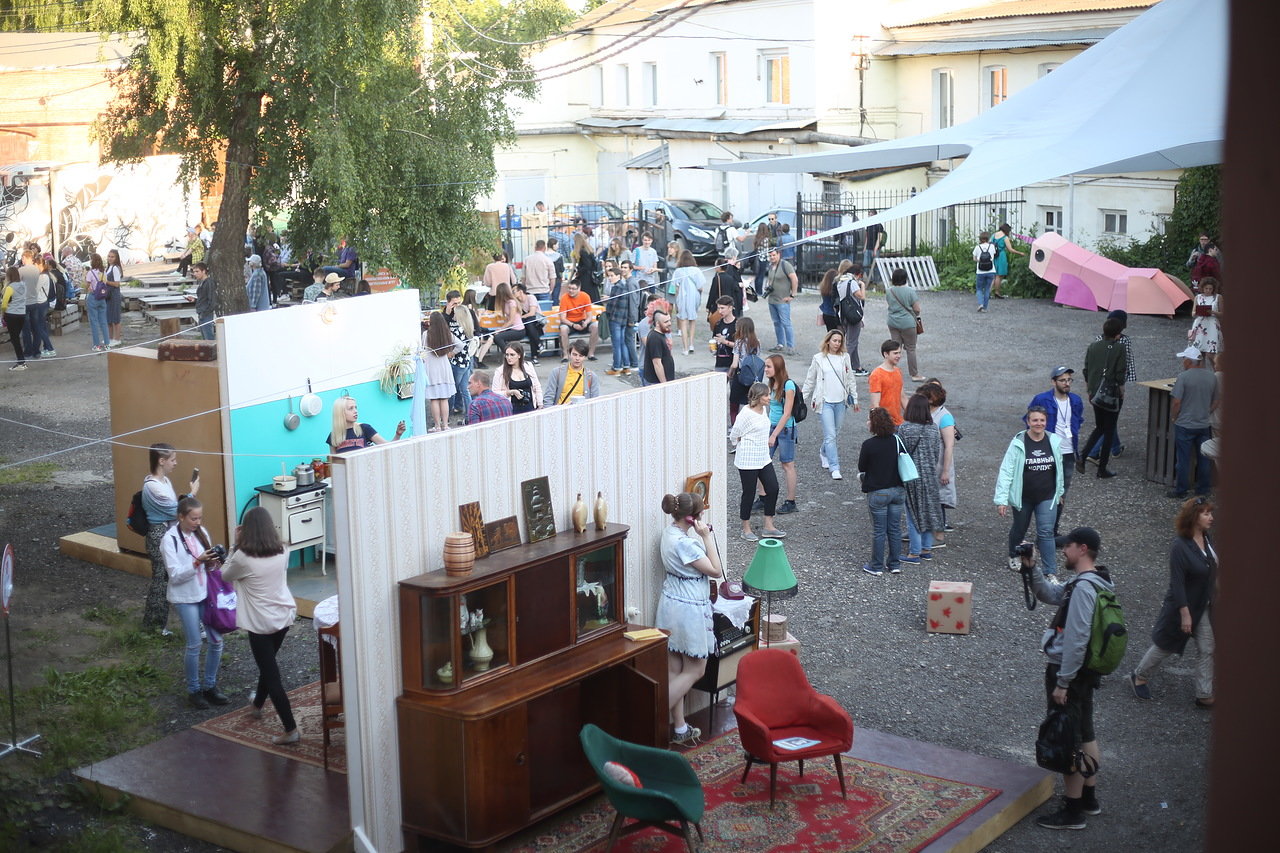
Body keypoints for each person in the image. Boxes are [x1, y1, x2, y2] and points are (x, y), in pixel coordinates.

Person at [1025, 527, 1114, 830]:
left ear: (1083, 549)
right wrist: (1032, 568)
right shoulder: (1096, 580)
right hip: (1084, 671)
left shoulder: (1084, 588)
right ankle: (1088, 799)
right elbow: (1050, 594)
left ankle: (1072, 811)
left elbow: (1077, 639)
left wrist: (1063, 682)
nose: (1063, 550)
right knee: (1085, 731)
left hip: (1069, 671)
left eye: (1068, 546)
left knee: (1066, 736)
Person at [221, 506, 299, 744]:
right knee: (268, 665)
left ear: (247, 530)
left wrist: (234, 546)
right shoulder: (283, 550)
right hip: (283, 617)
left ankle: (291, 730)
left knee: (272, 676)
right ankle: (256, 705)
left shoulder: (243, 557)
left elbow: (225, 575)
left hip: (260, 623)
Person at [1129, 497, 1217, 708]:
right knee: (1166, 645)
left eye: (1210, 513)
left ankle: (1204, 693)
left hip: (1201, 605)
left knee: (1207, 648)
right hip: (1182, 606)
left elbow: (1211, 570)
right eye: (1206, 513)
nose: (1211, 517)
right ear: (1193, 517)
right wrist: (1185, 614)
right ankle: (1139, 675)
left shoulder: (1206, 538)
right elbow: (1177, 583)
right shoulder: (1180, 546)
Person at [653, 491, 723, 746]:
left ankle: (680, 728)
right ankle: (651, 715)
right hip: (688, 610)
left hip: (670, 604)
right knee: (695, 669)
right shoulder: (687, 544)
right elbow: (715, 570)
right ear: (693, 518)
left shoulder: (668, 534)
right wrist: (706, 537)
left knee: (674, 670)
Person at [161, 497, 227, 709]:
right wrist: (198, 561)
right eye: (193, 518)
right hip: (185, 597)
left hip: (205, 593)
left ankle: (210, 686)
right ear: (181, 517)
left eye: (200, 518)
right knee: (194, 644)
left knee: (216, 641)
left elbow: (208, 567)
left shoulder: (201, 532)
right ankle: (194, 690)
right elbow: (175, 575)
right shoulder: (169, 540)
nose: (198, 522)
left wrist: (213, 562)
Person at [996, 405, 1064, 575]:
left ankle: (1050, 571)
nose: (1038, 423)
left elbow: (1059, 469)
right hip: (1023, 497)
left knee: (1046, 532)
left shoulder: (1053, 441)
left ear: (1046, 421)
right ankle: (1014, 555)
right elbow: (1006, 471)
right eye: (1035, 420)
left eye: (1042, 420)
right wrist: (1002, 500)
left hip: (1047, 496)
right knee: (1020, 528)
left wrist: (1060, 492)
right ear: (1028, 421)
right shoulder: (1018, 443)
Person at [141, 442, 200, 632]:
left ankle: (188, 622)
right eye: (172, 459)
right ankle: (154, 627)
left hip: (169, 532)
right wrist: (192, 494)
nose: (175, 463)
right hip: (158, 535)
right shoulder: (153, 487)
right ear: (161, 461)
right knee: (161, 580)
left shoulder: (165, 481)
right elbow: (176, 510)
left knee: (174, 577)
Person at [1029, 367, 1084, 534]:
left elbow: (1078, 420)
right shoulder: (1042, 399)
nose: (1066, 383)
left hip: (1068, 453)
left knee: (1061, 493)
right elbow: (1029, 421)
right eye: (1062, 380)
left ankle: (1052, 529)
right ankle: (1044, 529)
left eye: (1069, 380)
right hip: (1048, 452)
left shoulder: (1076, 400)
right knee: (1043, 490)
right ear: (1053, 382)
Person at [731, 383, 787, 541]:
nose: (769, 398)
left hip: (763, 457)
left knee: (773, 488)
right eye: (766, 395)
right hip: (748, 459)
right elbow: (734, 434)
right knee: (748, 493)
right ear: (758, 397)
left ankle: (769, 526)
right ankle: (746, 528)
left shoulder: (764, 410)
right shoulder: (745, 414)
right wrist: (742, 442)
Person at [802, 329, 859, 481]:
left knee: (835, 433)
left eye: (839, 341)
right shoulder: (818, 358)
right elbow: (810, 380)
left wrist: (855, 398)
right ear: (828, 341)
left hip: (841, 401)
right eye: (834, 340)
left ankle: (823, 451)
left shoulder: (845, 357)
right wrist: (801, 398)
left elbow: (850, 378)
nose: (837, 343)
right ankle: (835, 467)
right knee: (831, 435)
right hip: (825, 401)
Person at [858, 407, 906, 576]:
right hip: (898, 490)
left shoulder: (869, 445)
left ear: (874, 424)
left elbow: (862, 467)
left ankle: (876, 565)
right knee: (895, 529)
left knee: (879, 530)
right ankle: (894, 564)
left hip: (878, 491)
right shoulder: (897, 441)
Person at [1079, 317, 1127, 479]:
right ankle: (1102, 468)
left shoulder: (1093, 346)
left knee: (1100, 426)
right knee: (1109, 429)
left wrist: (1089, 389)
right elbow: (1120, 373)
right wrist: (1122, 390)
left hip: (1095, 392)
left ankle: (1083, 456)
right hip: (1111, 393)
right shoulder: (1119, 348)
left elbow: (1086, 370)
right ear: (1118, 333)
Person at [1167, 345, 1218, 499]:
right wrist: (1206, 411)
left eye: (1184, 359)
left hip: (1185, 423)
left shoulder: (1183, 377)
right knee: (1204, 458)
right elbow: (1216, 400)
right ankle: (1203, 489)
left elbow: (1177, 402)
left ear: (1189, 361)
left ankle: (1181, 490)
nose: (1183, 361)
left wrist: (1174, 417)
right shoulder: (1211, 377)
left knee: (1183, 459)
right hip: (1203, 423)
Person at [898, 394, 944, 564]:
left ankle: (914, 553)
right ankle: (926, 548)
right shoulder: (933, 428)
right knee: (928, 511)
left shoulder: (905, 428)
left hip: (911, 476)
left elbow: (901, 453)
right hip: (930, 475)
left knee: (913, 514)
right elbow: (936, 453)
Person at [1086, 309, 1136, 463]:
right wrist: (1122, 387)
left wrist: (1089, 387)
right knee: (1109, 420)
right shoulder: (1123, 342)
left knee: (1105, 419)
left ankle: (1115, 448)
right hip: (1112, 387)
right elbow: (1124, 365)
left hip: (1096, 385)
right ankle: (1094, 452)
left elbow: (1089, 366)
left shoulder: (1097, 341)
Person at [919, 381, 957, 542]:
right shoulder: (926, 412)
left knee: (938, 499)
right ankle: (925, 533)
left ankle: (937, 535)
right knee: (927, 499)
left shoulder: (945, 417)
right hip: (927, 463)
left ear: (931, 399)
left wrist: (945, 471)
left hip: (939, 464)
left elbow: (949, 446)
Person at [764, 354, 799, 514]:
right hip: (771, 426)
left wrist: (773, 435)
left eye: (768, 366)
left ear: (777, 368)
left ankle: (791, 501)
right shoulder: (771, 383)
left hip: (786, 429)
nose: (765, 369)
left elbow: (787, 413)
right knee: (763, 461)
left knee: (787, 464)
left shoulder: (788, 385)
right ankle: (762, 498)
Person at [422, 311, 459, 432]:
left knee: (434, 399)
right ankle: (446, 425)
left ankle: (437, 426)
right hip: (444, 369)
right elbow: (461, 344)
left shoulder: (426, 334)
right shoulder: (447, 334)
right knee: (444, 398)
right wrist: (451, 353)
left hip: (431, 370)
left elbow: (423, 351)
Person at [885, 268, 924, 381]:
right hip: (908, 323)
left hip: (892, 322)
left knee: (895, 348)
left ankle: (890, 371)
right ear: (905, 278)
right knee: (911, 349)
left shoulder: (889, 291)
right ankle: (914, 374)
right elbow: (917, 309)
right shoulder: (910, 291)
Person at [327, 396, 405, 452]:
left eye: (356, 407)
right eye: (351, 408)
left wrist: (398, 435)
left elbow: (388, 447)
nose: (355, 411)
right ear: (340, 413)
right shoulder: (333, 436)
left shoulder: (364, 428)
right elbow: (334, 463)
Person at [603, 267, 639, 376]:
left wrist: (607, 313)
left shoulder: (616, 288)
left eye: (612, 276)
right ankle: (626, 367)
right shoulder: (625, 286)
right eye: (609, 276)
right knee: (623, 343)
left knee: (616, 345)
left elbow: (611, 305)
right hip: (624, 319)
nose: (610, 278)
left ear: (618, 276)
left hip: (616, 319)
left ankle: (616, 368)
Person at [543, 339, 600, 407]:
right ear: (569, 354)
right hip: (561, 411)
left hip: (581, 411)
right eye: (574, 354)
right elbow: (548, 398)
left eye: (581, 356)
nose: (577, 358)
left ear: (585, 357)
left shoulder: (591, 377)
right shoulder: (557, 373)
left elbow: (595, 401)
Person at [762, 247, 798, 355]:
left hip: (782, 300)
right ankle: (780, 344)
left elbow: (794, 279)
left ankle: (791, 346)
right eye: (770, 255)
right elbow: (770, 279)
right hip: (772, 300)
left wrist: (793, 294)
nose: (772, 257)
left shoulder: (785, 265)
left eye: (774, 255)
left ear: (778, 255)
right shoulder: (770, 266)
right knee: (776, 323)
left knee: (786, 323)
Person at [835, 261, 868, 374]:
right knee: (851, 342)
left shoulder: (841, 281)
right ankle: (842, 366)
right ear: (858, 274)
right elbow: (861, 296)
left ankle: (856, 366)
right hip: (853, 314)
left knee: (852, 340)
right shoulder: (852, 282)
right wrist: (862, 286)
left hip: (844, 313)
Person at [493, 341, 542, 414]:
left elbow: (537, 386)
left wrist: (540, 404)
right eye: (507, 355)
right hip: (512, 410)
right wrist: (510, 392)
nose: (509, 358)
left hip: (531, 408)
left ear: (519, 355)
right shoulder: (500, 371)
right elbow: (494, 394)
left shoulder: (528, 366)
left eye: (512, 355)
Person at [727, 316, 760, 423]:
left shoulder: (739, 343)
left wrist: (729, 373)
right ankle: (750, 424)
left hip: (740, 375)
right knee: (750, 402)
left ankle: (734, 425)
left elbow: (734, 364)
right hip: (752, 376)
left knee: (734, 402)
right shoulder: (756, 343)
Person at [556, 278, 599, 362]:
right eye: (569, 288)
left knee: (596, 326)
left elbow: (589, 316)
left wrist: (586, 322)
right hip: (569, 322)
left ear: (579, 289)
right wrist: (573, 325)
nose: (570, 291)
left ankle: (590, 354)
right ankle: (565, 355)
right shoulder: (564, 298)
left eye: (573, 289)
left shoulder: (585, 296)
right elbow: (563, 318)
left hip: (582, 320)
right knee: (563, 329)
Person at [669, 249, 702, 355]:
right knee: (692, 320)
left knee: (683, 321)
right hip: (694, 297)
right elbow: (700, 287)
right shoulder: (696, 270)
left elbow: (676, 287)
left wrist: (677, 300)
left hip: (682, 297)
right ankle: (691, 344)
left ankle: (685, 348)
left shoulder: (678, 271)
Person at [868, 339, 907, 424]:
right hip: (885, 423)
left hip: (898, 421)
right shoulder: (877, 375)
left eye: (899, 353)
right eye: (895, 353)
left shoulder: (898, 371)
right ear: (886, 354)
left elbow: (902, 397)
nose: (899, 356)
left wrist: (913, 417)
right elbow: (875, 404)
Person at [1188, 277, 1222, 369]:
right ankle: (1202, 373)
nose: (1208, 291)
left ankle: (1217, 371)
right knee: (1199, 353)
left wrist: (1213, 312)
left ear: (1213, 289)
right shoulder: (1198, 297)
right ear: (1202, 288)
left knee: (1211, 353)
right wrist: (1196, 312)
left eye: (1210, 289)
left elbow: (1222, 313)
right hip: (1200, 324)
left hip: (1212, 325)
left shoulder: (1218, 297)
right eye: (1206, 288)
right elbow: (1193, 313)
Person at [512, 282, 546, 366]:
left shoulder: (531, 297)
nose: (512, 293)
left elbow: (532, 313)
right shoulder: (516, 302)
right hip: (528, 326)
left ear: (520, 292)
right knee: (529, 326)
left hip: (538, 324)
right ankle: (539, 346)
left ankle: (535, 356)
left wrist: (521, 317)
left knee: (530, 323)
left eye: (514, 291)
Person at [705, 250, 743, 320]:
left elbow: (712, 293)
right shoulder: (730, 278)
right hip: (728, 303)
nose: (715, 267)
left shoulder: (717, 278)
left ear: (719, 267)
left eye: (716, 265)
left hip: (719, 303)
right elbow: (735, 290)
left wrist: (708, 306)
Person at [990, 222, 1025, 299]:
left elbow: (989, 244)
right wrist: (1020, 253)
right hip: (1001, 255)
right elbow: (1010, 249)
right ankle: (997, 292)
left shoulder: (994, 235)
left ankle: (988, 292)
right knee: (999, 275)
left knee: (993, 275)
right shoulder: (1005, 238)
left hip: (994, 256)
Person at [3, 266, 27, 371]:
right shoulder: (23, 285)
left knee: (15, 339)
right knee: (16, 337)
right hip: (22, 313)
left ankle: (21, 362)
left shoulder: (10, 287)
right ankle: (21, 360)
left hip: (11, 314)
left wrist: (2, 313)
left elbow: (4, 304)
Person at [84, 254, 110, 352]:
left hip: (93, 297)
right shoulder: (104, 272)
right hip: (102, 298)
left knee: (94, 322)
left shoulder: (90, 273)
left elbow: (87, 285)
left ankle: (97, 345)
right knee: (103, 321)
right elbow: (105, 283)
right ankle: (107, 344)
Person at [642, 309, 674, 385]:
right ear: (657, 324)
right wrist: (664, 385)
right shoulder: (655, 338)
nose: (669, 323)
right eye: (666, 322)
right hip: (656, 382)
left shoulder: (660, 334)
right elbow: (657, 364)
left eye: (669, 320)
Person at [189, 262, 217, 341]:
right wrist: (195, 300)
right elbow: (203, 298)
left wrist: (205, 313)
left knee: (209, 339)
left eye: (197, 271)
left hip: (206, 314)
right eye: (194, 272)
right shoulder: (202, 282)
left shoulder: (209, 282)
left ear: (204, 271)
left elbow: (212, 300)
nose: (195, 274)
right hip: (201, 313)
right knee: (205, 338)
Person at [709, 297, 736, 375]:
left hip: (734, 363)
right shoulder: (718, 324)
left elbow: (741, 346)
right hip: (720, 364)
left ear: (730, 308)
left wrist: (725, 342)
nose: (720, 311)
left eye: (722, 308)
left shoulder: (737, 325)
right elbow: (715, 340)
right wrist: (713, 347)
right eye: (718, 308)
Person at [572, 233, 601, 302]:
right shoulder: (588, 250)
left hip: (585, 278)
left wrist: (578, 270)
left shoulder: (582, 252)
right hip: (590, 277)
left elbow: (587, 265)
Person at [104, 248, 125, 346]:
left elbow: (117, 284)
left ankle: (117, 339)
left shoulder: (116, 268)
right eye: (109, 256)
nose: (110, 258)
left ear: (116, 258)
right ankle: (110, 338)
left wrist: (106, 281)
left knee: (116, 318)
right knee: (109, 318)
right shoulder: (108, 268)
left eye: (112, 257)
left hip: (114, 295)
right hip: (108, 295)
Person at [973, 231, 997, 312]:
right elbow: (994, 255)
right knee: (987, 289)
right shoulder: (992, 246)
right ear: (988, 238)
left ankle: (980, 304)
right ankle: (985, 307)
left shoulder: (977, 247)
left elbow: (974, 258)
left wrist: (979, 260)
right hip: (991, 270)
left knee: (979, 288)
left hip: (980, 271)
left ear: (980, 239)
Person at [861, 210, 885, 282]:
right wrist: (865, 247)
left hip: (875, 249)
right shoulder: (868, 225)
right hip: (868, 248)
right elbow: (867, 237)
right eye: (869, 215)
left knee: (876, 265)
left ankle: (876, 280)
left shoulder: (879, 225)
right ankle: (870, 279)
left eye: (871, 215)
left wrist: (875, 249)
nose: (869, 216)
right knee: (865, 265)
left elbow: (879, 238)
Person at [817, 267, 841, 332]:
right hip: (834, 314)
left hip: (826, 313)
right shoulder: (835, 289)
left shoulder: (824, 288)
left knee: (830, 333)